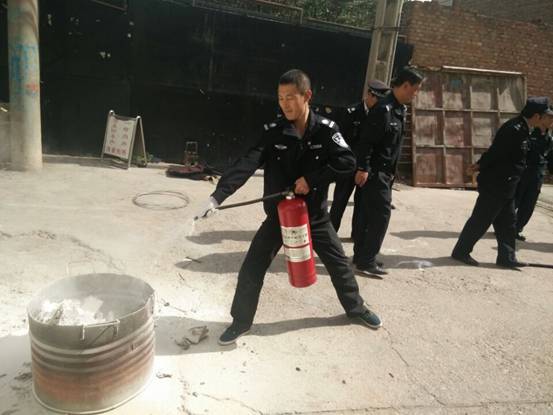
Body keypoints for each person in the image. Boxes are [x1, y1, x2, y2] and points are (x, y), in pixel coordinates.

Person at [196, 69, 382, 346]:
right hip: (279, 215)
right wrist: (217, 197)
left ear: (307, 96)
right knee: (252, 266)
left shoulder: (326, 130)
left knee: (340, 264)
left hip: (314, 215)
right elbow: (247, 162)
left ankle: (356, 309)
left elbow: (347, 162)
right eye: (280, 98)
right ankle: (240, 321)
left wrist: (312, 179)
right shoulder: (274, 131)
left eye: (290, 97)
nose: (285, 103)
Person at [451, 97, 553, 269]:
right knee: (481, 219)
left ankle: (506, 258)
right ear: (537, 116)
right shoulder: (513, 129)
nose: (547, 119)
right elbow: (495, 152)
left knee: (508, 223)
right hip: (496, 184)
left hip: (508, 185)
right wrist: (479, 166)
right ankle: (461, 252)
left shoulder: (524, 128)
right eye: (545, 115)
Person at [352, 67, 424, 277]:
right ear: (405, 86)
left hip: (386, 174)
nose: (415, 94)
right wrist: (362, 168)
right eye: (415, 90)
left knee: (368, 215)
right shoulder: (383, 109)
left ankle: (361, 256)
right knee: (380, 216)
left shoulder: (399, 109)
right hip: (375, 173)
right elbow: (366, 142)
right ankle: (366, 260)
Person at [329, 80, 390, 239]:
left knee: (361, 205)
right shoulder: (351, 112)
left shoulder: (382, 114)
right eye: (377, 99)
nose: (379, 103)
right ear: (369, 95)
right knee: (339, 201)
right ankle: (330, 234)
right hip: (348, 166)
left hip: (366, 167)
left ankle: (356, 235)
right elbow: (339, 139)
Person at [514, 106, 553, 241]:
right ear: (541, 118)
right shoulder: (529, 134)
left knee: (529, 204)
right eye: (549, 117)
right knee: (515, 200)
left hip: (537, 175)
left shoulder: (549, 138)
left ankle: (517, 229)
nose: (551, 120)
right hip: (524, 172)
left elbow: (550, 158)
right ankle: (504, 226)